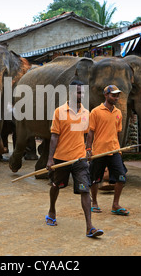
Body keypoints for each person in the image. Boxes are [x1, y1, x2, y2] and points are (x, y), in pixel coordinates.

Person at [45, 80, 103, 238]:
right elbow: (54, 137)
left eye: (82, 92)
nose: (81, 95)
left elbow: (85, 134)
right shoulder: (59, 112)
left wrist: (88, 149)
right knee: (56, 185)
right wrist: (50, 159)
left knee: (85, 189)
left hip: (79, 159)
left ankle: (89, 227)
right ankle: (51, 210)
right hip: (61, 159)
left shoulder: (85, 113)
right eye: (78, 92)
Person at [85, 85, 129, 216]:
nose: (116, 98)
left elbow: (118, 133)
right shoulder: (96, 112)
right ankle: (94, 203)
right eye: (113, 95)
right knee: (95, 179)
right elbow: (90, 132)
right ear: (106, 95)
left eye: (117, 95)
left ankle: (115, 205)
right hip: (99, 151)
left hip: (114, 151)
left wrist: (118, 148)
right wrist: (88, 149)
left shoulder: (118, 113)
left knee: (121, 177)